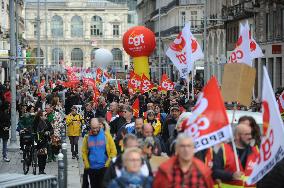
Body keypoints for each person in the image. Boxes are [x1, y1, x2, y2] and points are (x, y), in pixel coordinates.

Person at [212, 123, 259, 187]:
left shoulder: (256, 151)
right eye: (247, 134)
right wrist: (231, 175)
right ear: (237, 136)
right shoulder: (223, 149)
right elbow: (215, 172)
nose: (250, 137)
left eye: (250, 134)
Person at [82, 118, 117, 188]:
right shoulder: (87, 137)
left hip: (104, 168)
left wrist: (107, 164)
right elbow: (84, 152)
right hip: (92, 169)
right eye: (93, 128)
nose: (95, 130)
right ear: (90, 127)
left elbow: (113, 151)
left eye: (96, 128)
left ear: (99, 126)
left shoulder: (106, 136)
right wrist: (87, 165)